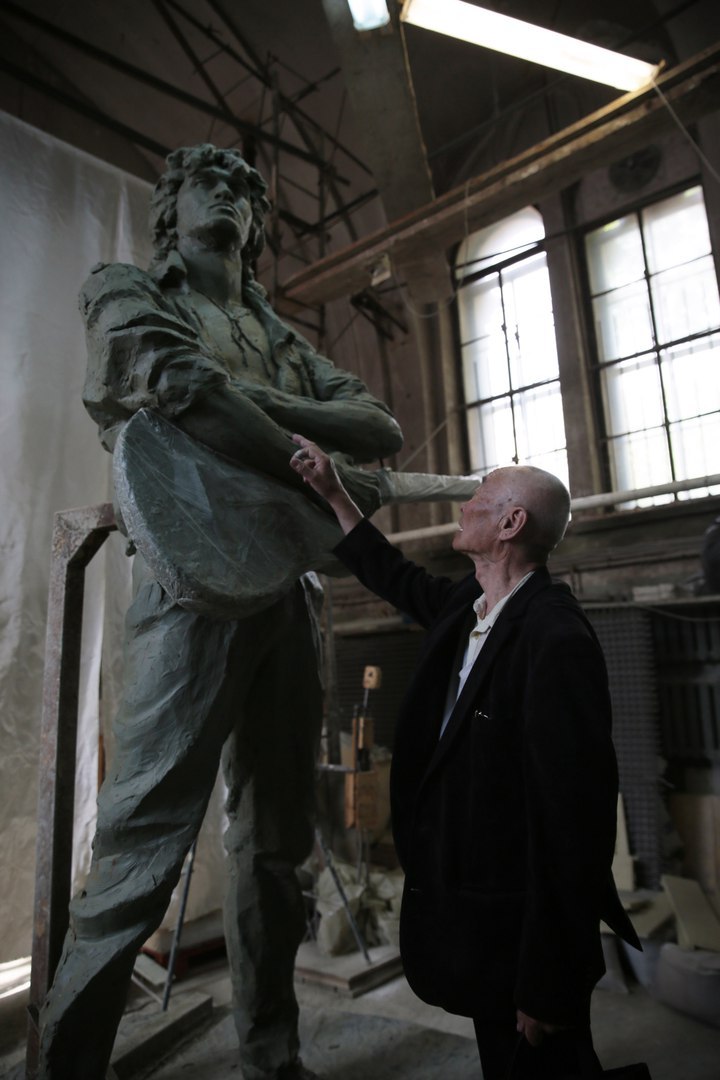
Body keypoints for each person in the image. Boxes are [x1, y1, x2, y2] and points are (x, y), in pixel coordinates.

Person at [37, 144, 403, 1080]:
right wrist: (318, 463)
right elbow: (180, 388)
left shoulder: (279, 337)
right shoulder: (126, 287)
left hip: (293, 593)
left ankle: (270, 1057)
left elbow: (380, 429)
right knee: (138, 848)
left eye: (249, 189)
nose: (235, 196)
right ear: (172, 206)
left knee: (277, 847)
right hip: (189, 591)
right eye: (215, 181)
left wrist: (266, 410)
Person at [290, 435, 641, 1080]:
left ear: (510, 524)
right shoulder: (468, 606)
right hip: (479, 919)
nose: (465, 505)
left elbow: (573, 827)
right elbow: (393, 575)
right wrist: (334, 493)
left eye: (479, 497)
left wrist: (549, 979)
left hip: (523, 934)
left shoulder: (553, 637)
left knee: (546, 1064)